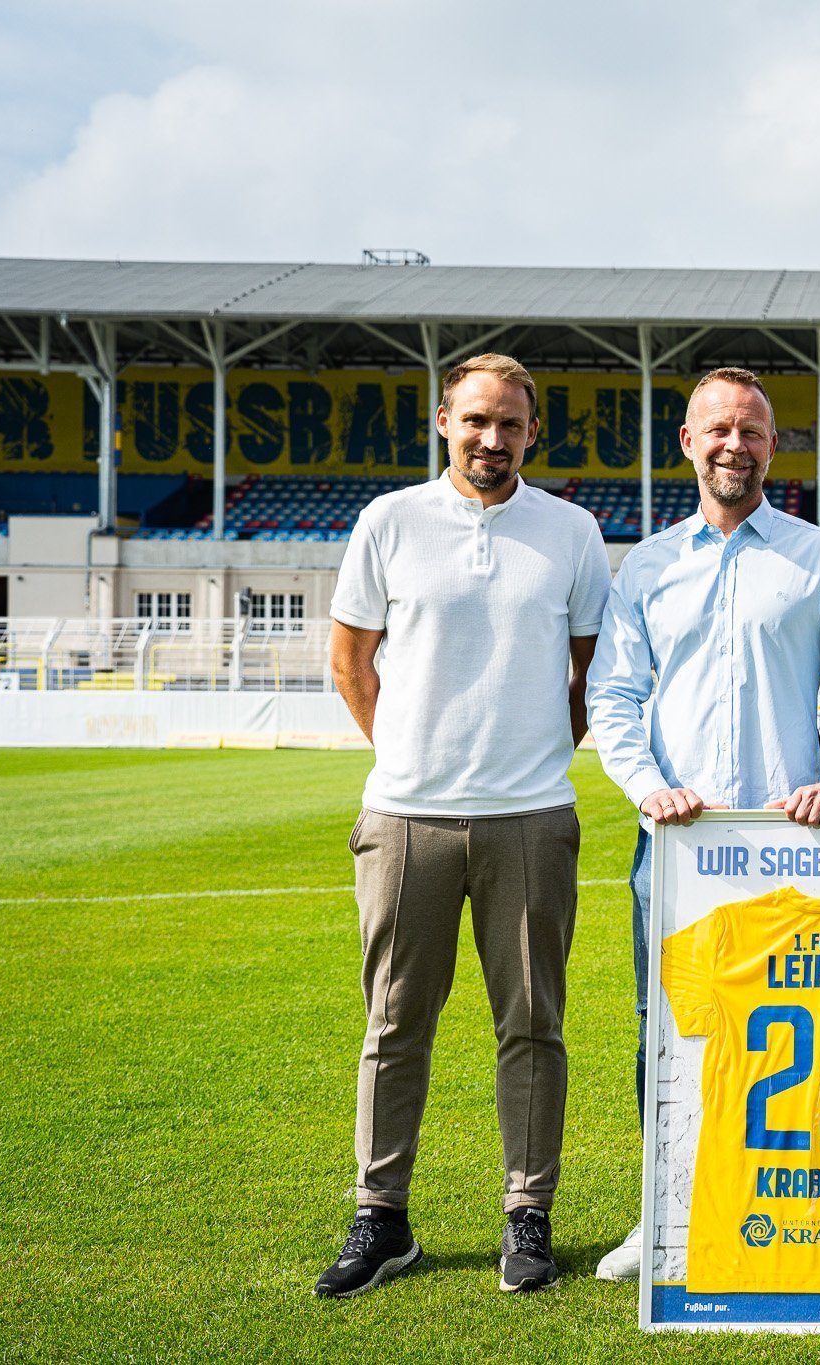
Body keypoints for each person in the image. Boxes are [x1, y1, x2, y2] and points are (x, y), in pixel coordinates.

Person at [585, 366, 820, 1281]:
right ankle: (666, 1210)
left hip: (792, 842)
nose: (736, 445)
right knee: (667, 1028)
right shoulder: (647, 565)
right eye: (719, 429)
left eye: (753, 431)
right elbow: (613, 694)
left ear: (774, 448)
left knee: (796, 1032)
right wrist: (648, 786)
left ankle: (793, 1212)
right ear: (688, 442)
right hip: (676, 845)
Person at [315, 354, 610, 1298]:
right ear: (445, 419)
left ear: (532, 434)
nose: (493, 437)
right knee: (395, 1021)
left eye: (511, 423)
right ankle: (381, 1216)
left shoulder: (571, 531)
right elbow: (350, 661)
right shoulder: (389, 520)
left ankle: (528, 1213)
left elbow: (591, 672)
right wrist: (411, 753)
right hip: (407, 816)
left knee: (532, 1023)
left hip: (531, 816)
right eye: (476, 419)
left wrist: (536, 755)